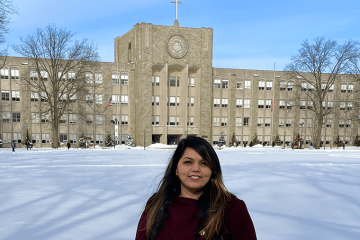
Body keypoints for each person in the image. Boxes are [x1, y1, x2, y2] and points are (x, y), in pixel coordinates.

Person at [135, 136, 257, 240]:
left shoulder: (232, 209)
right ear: (176, 169)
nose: (196, 169)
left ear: (213, 171)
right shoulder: (156, 204)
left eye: (204, 163)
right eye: (188, 162)